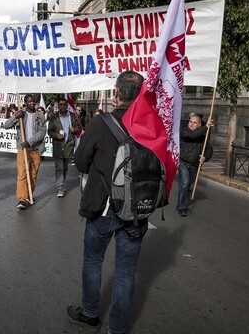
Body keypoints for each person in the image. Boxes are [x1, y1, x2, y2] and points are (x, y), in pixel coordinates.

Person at [67, 71, 162, 333]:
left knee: (93, 261)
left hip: (104, 208)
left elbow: (80, 161)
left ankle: (89, 312)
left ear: (116, 94)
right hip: (137, 210)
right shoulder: (153, 123)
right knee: (126, 272)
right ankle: (117, 329)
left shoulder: (101, 123)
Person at [5, 94, 47, 209]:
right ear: (25, 103)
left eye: (33, 101)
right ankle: (22, 199)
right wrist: (15, 117)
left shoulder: (40, 116)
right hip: (22, 149)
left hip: (35, 149)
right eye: (29, 101)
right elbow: (6, 125)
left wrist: (29, 142)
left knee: (33, 174)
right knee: (22, 174)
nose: (32, 103)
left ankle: (29, 195)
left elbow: (42, 133)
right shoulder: (20, 114)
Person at [178, 113, 213, 216]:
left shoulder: (203, 136)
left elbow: (209, 149)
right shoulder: (185, 132)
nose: (191, 124)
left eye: (194, 123)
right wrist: (206, 127)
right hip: (183, 162)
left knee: (187, 186)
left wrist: (205, 157)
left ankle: (181, 204)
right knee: (185, 183)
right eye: (190, 122)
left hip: (195, 165)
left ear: (199, 125)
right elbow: (193, 135)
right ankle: (182, 208)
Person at [47, 98, 80, 198]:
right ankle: (60, 187)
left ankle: (62, 182)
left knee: (65, 167)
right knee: (59, 168)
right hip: (58, 145)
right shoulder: (54, 117)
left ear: (67, 105)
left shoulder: (73, 116)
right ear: (58, 106)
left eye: (64, 104)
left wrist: (74, 129)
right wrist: (56, 135)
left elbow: (79, 128)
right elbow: (49, 131)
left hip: (68, 145)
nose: (62, 106)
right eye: (60, 104)